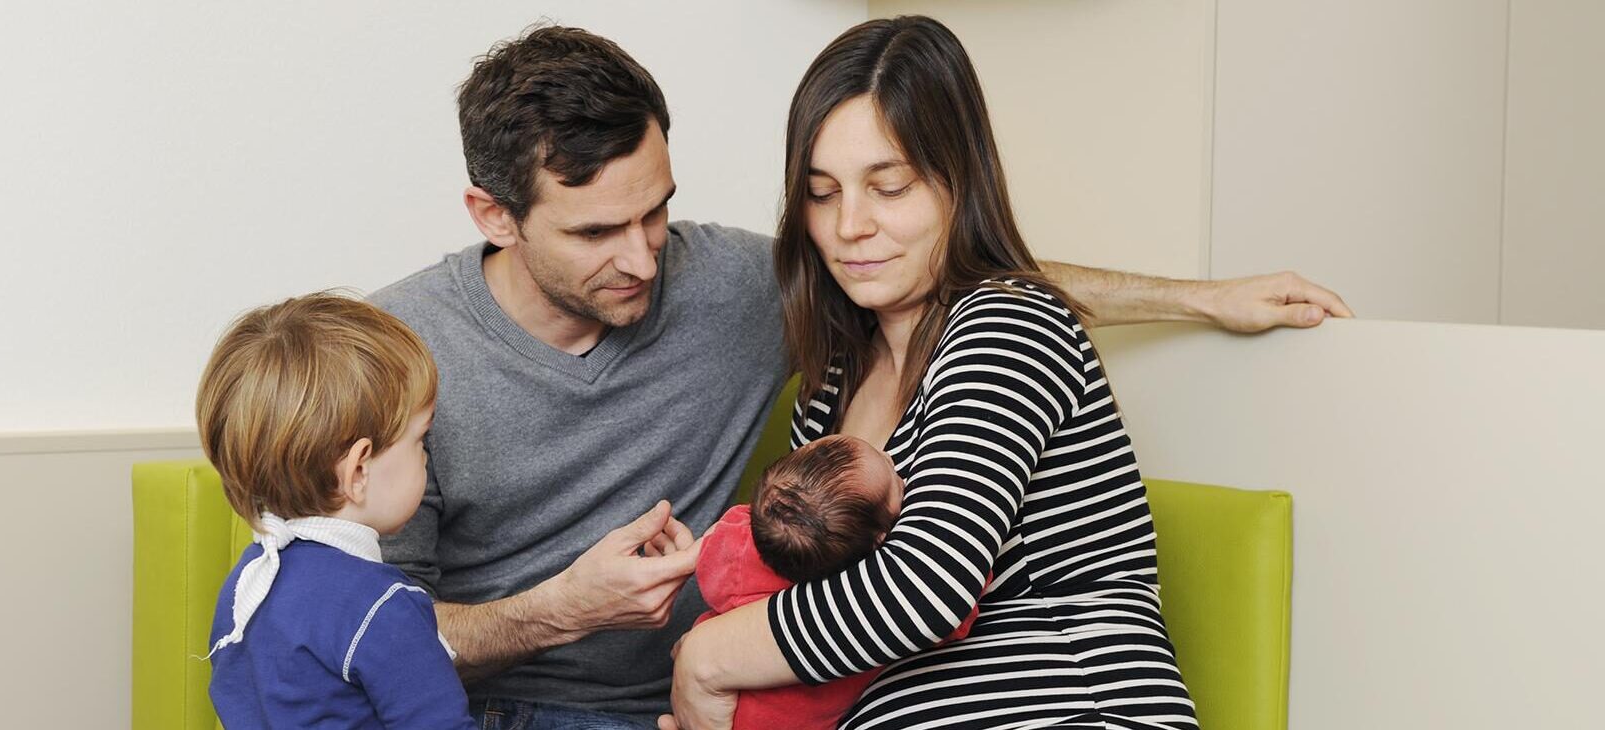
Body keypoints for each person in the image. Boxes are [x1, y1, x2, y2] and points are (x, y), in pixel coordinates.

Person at [367, 23, 1348, 728]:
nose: (644, 258)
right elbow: (363, 627)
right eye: (824, 194)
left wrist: (1203, 296)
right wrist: (579, 616)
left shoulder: (981, 324)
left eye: (658, 212)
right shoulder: (836, 370)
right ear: (493, 215)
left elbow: (983, 288)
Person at [664, 16, 1201, 729]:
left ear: (959, 180)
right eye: (823, 193)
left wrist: (707, 658)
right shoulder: (831, 385)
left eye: (889, 187)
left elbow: (926, 584)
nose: (850, 225)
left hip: (1067, 706)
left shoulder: (1008, 325)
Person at [195, 292, 471, 729]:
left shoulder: (249, 581)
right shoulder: (385, 605)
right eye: (421, 440)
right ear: (358, 470)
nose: (426, 457)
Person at [694, 434, 981, 729]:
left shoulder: (741, 546)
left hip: (708, 699)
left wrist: (675, 561)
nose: (890, 458)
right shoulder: (872, 610)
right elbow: (946, 612)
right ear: (879, 539)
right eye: (893, 477)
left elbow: (715, 544)